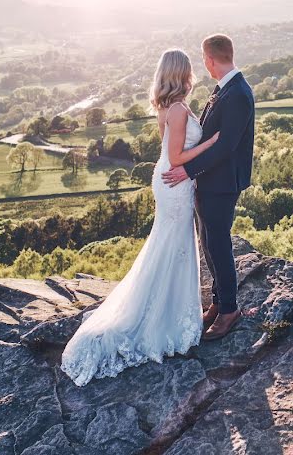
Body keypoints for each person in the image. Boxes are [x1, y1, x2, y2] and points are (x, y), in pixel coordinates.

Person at [60, 49, 219, 386]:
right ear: (182, 74)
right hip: (174, 182)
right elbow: (176, 156)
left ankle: (173, 314)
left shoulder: (171, 106)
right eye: (189, 70)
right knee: (171, 247)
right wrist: (212, 143)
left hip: (172, 181)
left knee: (172, 247)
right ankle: (164, 320)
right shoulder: (176, 110)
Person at [162, 34, 255, 340]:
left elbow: (226, 146)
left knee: (218, 245)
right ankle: (218, 301)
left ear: (211, 59)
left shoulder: (239, 93)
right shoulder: (224, 89)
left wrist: (187, 170)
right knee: (208, 243)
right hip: (209, 180)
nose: (204, 64)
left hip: (223, 183)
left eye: (205, 59)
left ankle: (229, 310)